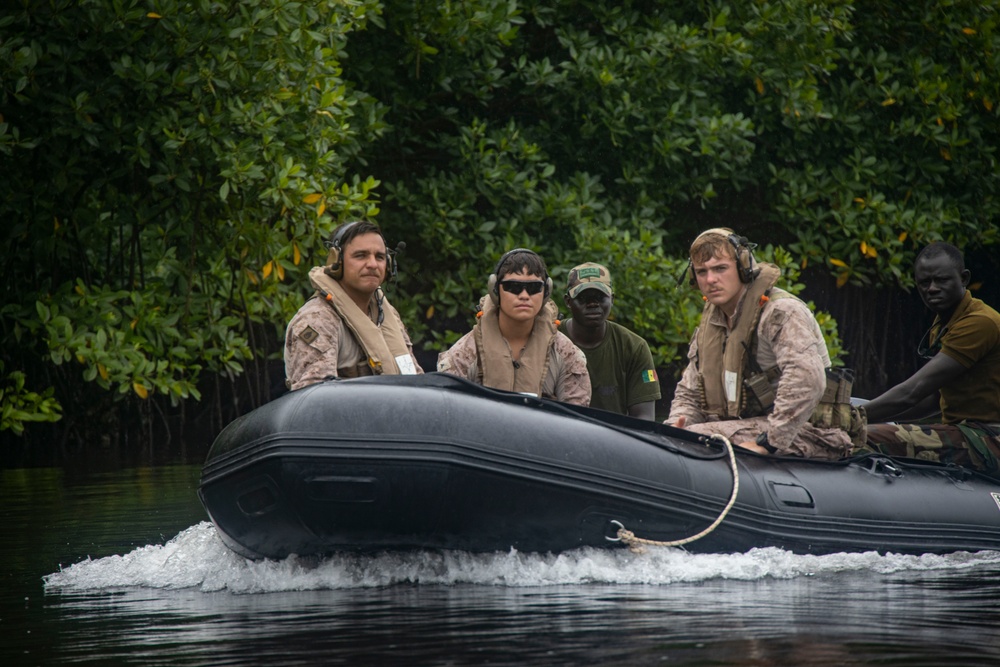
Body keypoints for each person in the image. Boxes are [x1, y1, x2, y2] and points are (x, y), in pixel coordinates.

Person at [666, 228, 858, 459]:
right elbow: (690, 390)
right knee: (678, 434)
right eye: (701, 272)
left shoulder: (781, 312)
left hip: (809, 431)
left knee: (694, 438)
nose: (710, 279)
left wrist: (768, 443)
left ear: (743, 269)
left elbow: (806, 380)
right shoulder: (714, 322)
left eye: (720, 268)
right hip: (745, 426)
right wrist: (675, 425)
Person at [860, 242, 1000, 476]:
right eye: (924, 283)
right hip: (965, 432)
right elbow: (934, 399)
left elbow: (912, 391)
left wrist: (853, 416)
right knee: (871, 430)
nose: (932, 288)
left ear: (963, 278)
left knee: (864, 438)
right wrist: (870, 418)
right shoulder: (945, 322)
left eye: (941, 280)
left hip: (989, 437)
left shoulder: (979, 322)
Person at [437, 248, 591, 406]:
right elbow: (449, 410)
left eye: (534, 288)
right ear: (495, 290)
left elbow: (576, 418)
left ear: (546, 292)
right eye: (513, 287)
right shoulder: (464, 354)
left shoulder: (565, 353)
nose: (524, 295)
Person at [284, 220, 422, 390]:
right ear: (336, 261)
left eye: (379, 257)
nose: (372, 264)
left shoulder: (386, 314)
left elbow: (417, 380)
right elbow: (314, 401)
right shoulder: (317, 320)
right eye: (360, 255)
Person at [559, 262, 661, 419]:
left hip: (615, 438)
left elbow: (645, 420)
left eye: (600, 297)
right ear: (568, 302)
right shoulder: (550, 340)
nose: (593, 304)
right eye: (584, 298)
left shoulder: (634, 347)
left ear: (612, 299)